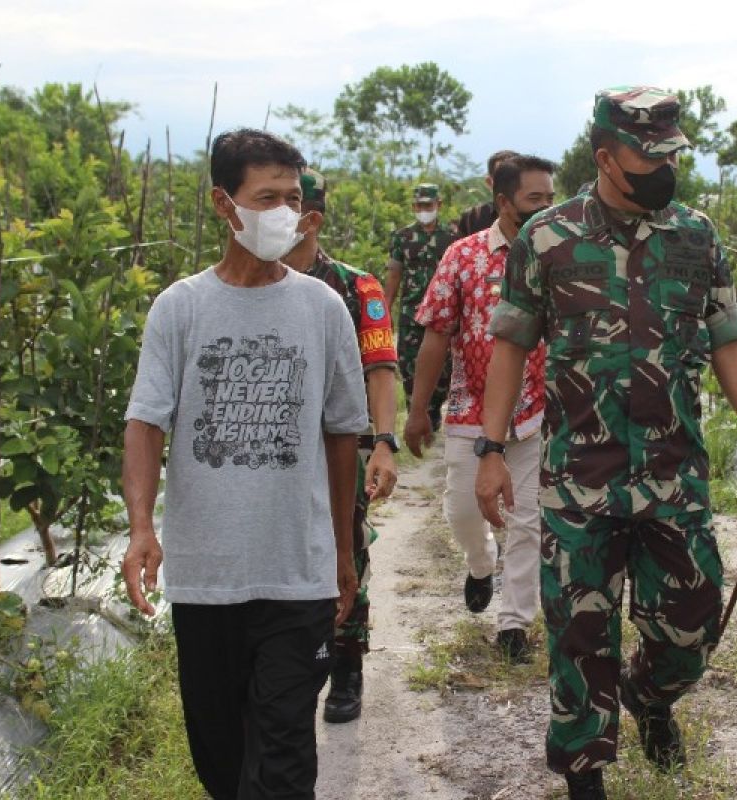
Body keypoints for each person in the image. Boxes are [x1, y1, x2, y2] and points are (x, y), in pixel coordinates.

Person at [474, 87, 737, 800]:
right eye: (647, 155)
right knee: (578, 636)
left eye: (671, 153)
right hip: (577, 479)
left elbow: (730, 345)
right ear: (605, 156)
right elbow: (510, 344)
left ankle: (650, 696)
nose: (663, 166)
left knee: (691, 627)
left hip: (672, 476)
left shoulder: (696, 236)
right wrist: (490, 449)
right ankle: (584, 772)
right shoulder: (548, 238)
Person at [121, 128, 368, 800]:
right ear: (224, 206)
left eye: (294, 197)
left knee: (286, 759)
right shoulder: (181, 308)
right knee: (222, 763)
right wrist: (142, 526)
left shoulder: (321, 307)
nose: (285, 212)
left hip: (297, 576)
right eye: (268, 198)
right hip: (207, 581)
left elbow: (343, 432)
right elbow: (145, 421)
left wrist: (344, 551)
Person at [404, 156, 555, 662]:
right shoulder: (462, 257)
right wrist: (417, 409)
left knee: (526, 519)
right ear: (504, 202)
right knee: (464, 511)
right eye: (535, 200)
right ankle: (478, 561)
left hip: (533, 414)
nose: (546, 209)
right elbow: (435, 336)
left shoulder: (560, 258)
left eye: (551, 199)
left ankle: (514, 624)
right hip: (469, 413)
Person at [284, 167, 400, 723]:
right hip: (276, 453)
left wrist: (383, 444)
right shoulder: (247, 285)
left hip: (340, 449)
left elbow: (380, 371)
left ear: (313, 218)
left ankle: (346, 665)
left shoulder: (357, 287)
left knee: (345, 548)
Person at [384, 183, 456, 430]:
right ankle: (417, 411)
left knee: (444, 367)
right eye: (420, 205)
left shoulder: (451, 237)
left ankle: (434, 408)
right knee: (408, 364)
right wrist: (385, 309)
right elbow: (394, 274)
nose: (424, 209)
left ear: (439, 205)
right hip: (410, 313)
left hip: (442, 315)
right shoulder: (402, 237)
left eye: (428, 205)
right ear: (414, 207)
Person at [455, 149, 519, 236]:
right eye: (502, 177)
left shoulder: (536, 215)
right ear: (489, 182)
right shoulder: (472, 218)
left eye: (514, 177)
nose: (509, 183)